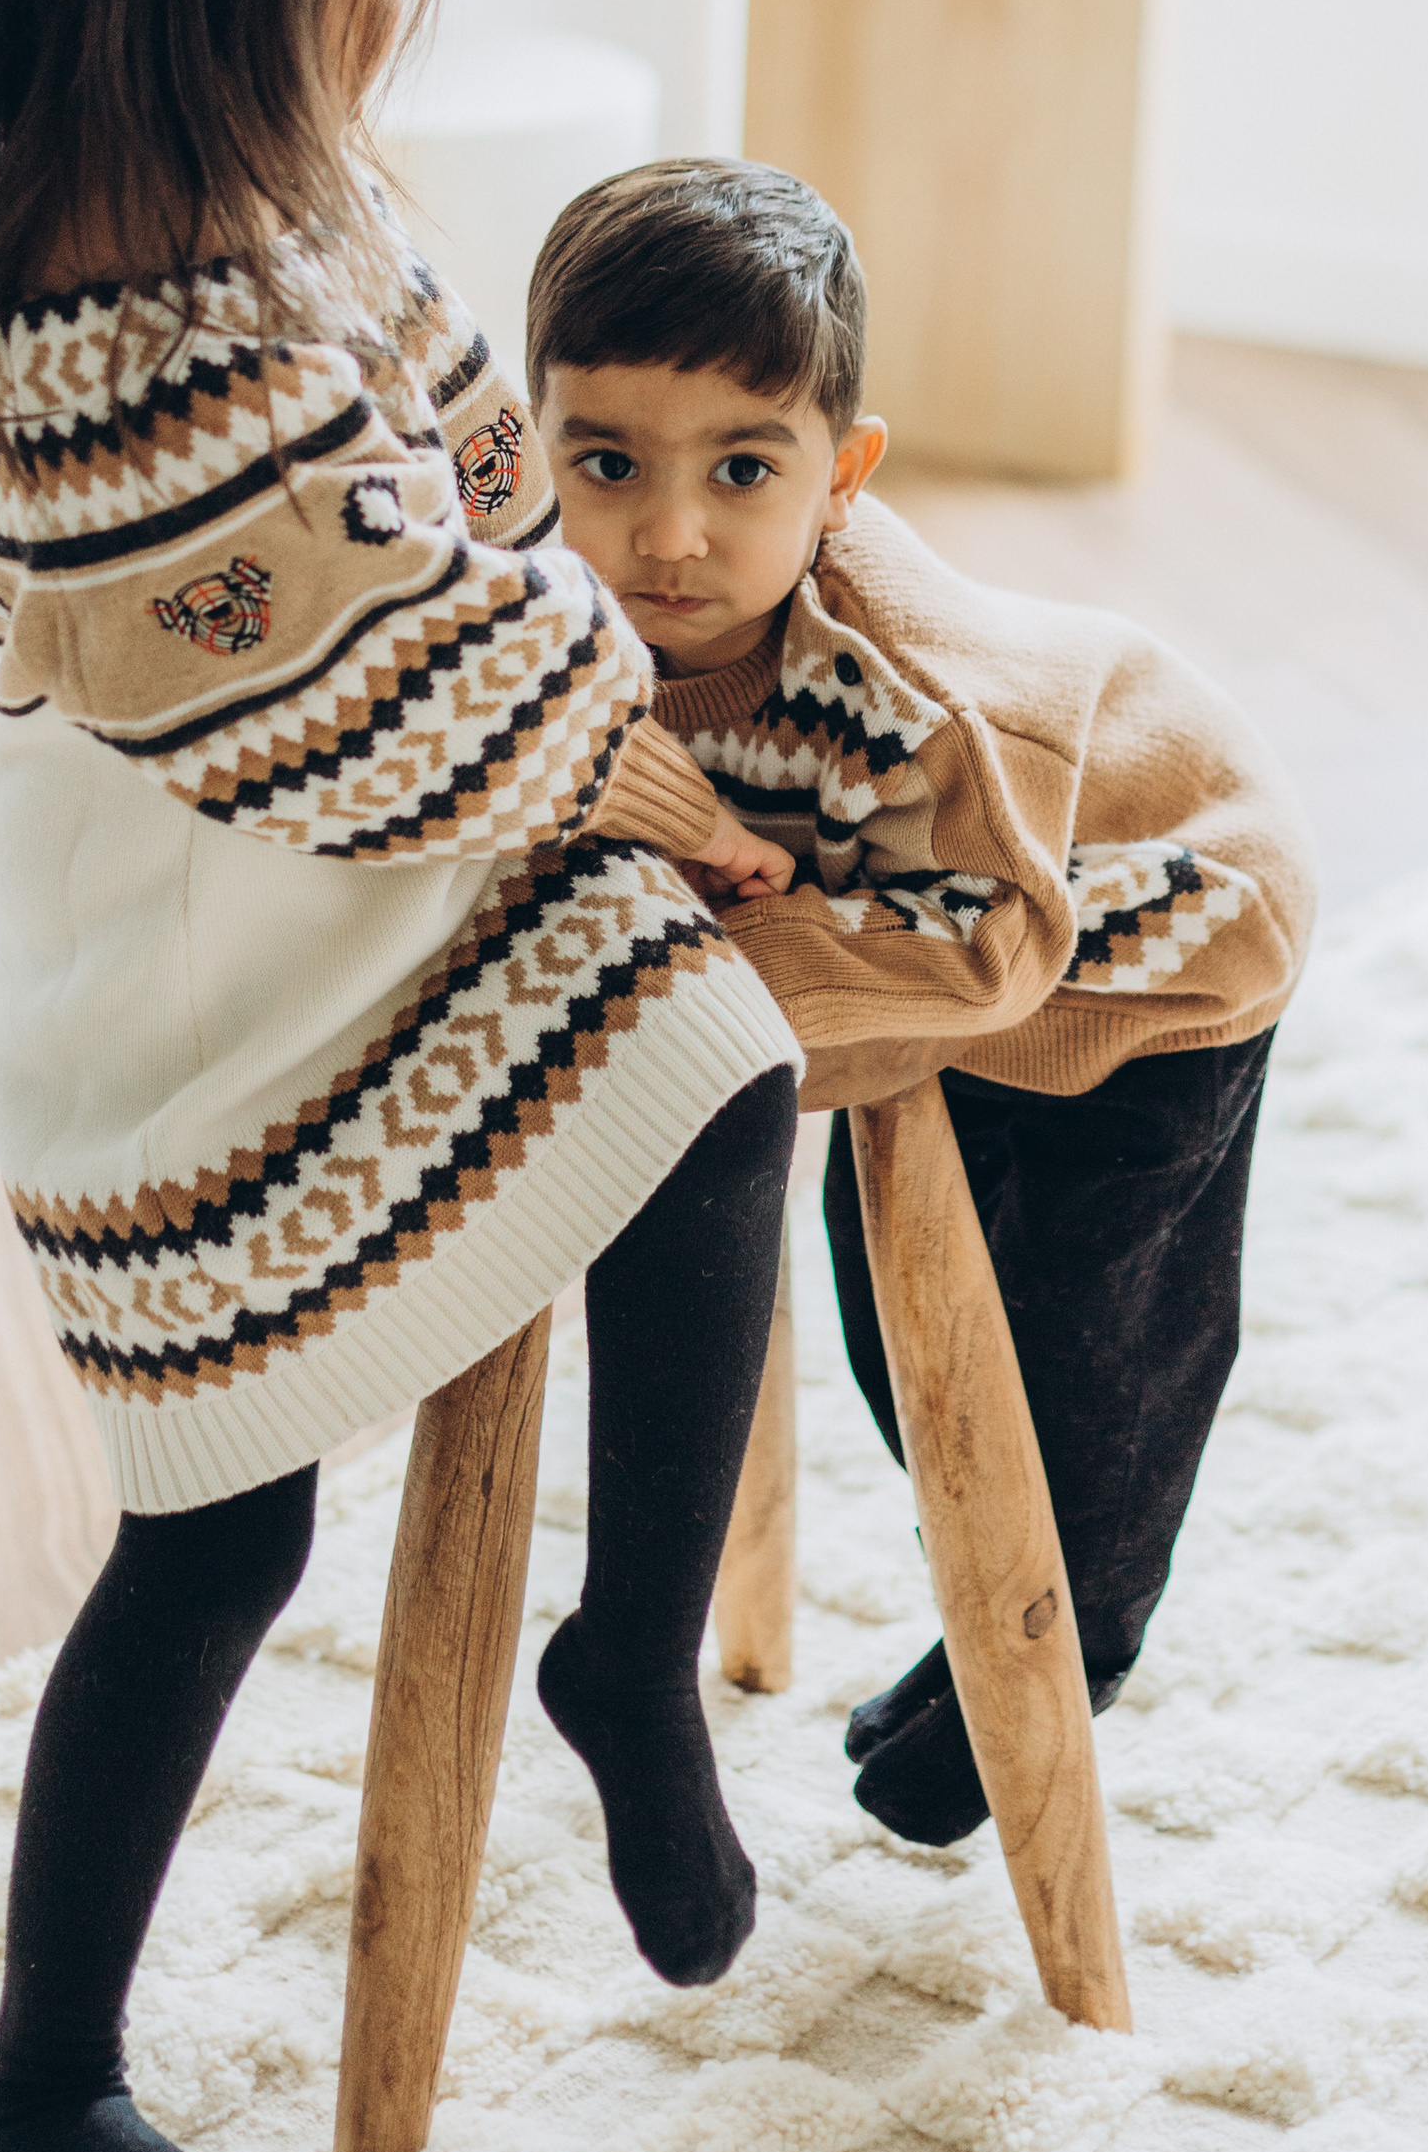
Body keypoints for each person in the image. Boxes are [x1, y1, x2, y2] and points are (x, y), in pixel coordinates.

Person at [0, 0, 803, 2152]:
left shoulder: (293, 209)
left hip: (368, 911)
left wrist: (609, 666)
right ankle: (41, 2078)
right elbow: (351, 700)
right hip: (198, 1032)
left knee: (714, 1066)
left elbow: (474, 490)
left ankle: (623, 1653)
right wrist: (599, 725)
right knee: (215, 1538)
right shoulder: (104, 366)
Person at [527, 156, 1317, 1851]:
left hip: (1146, 925)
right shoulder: (567, 618)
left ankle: (1068, 1644)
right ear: (539, 448)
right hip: (918, 943)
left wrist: (727, 966)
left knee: (1087, 1352)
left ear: (842, 476)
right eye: (609, 466)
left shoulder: (917, 707)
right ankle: (985, 1610)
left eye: (743, 470)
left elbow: (989, 950)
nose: (670, 535)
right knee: (904, 1342)